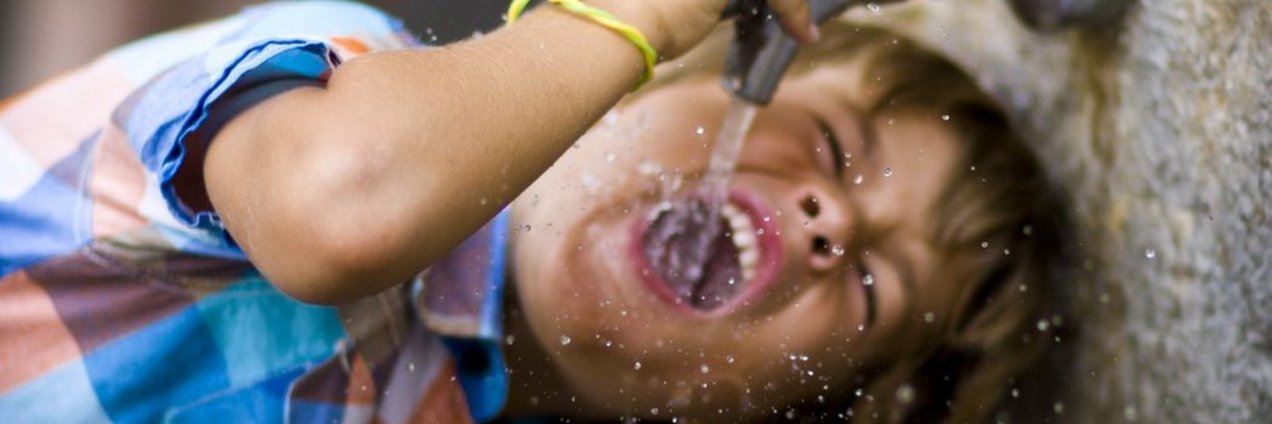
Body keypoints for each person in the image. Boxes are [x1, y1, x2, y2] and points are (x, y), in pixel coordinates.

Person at [0, 0, 1069, 423]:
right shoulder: (348, 67)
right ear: (666, 77)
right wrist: (644, 11)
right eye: (834, 147)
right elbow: (335, 207)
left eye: (875, 287)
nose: (832, 219)